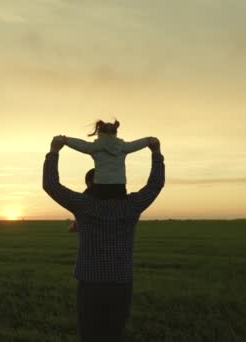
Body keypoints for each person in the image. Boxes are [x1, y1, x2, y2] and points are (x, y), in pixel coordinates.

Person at [43, 135, 165, 342]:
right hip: (121, 284)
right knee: (113, 335)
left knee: (90, 335)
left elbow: (51, 185)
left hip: (90, 285)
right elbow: (155, 185)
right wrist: (156, 154)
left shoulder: (84, 205)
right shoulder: (132, 205)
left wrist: (54, 151)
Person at [61, 120, 151, 199]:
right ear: (115, 133)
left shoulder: (95, 147)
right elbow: (136, 144)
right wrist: (148, 140)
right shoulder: (123, 147)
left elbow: (82, 145)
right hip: (119, 187)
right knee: (117, 208)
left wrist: (65, 140)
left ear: (99, 133)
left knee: (93, 203)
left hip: (100, 187)